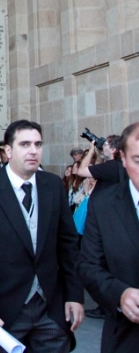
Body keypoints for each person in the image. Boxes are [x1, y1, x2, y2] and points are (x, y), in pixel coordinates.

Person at [0, 119, 84, 353]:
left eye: (38, 144)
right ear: (8, 150)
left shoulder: (53, 185)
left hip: (50, 309)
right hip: (4, 311)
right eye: (25, 144)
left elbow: (68, 245)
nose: (33, 151)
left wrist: (75, 295)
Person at [77, 121, 139, 352]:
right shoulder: (104, 205)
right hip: (126, 338)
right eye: (138, 160)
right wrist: (120, 294)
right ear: (122, 158)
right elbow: (89, 266)